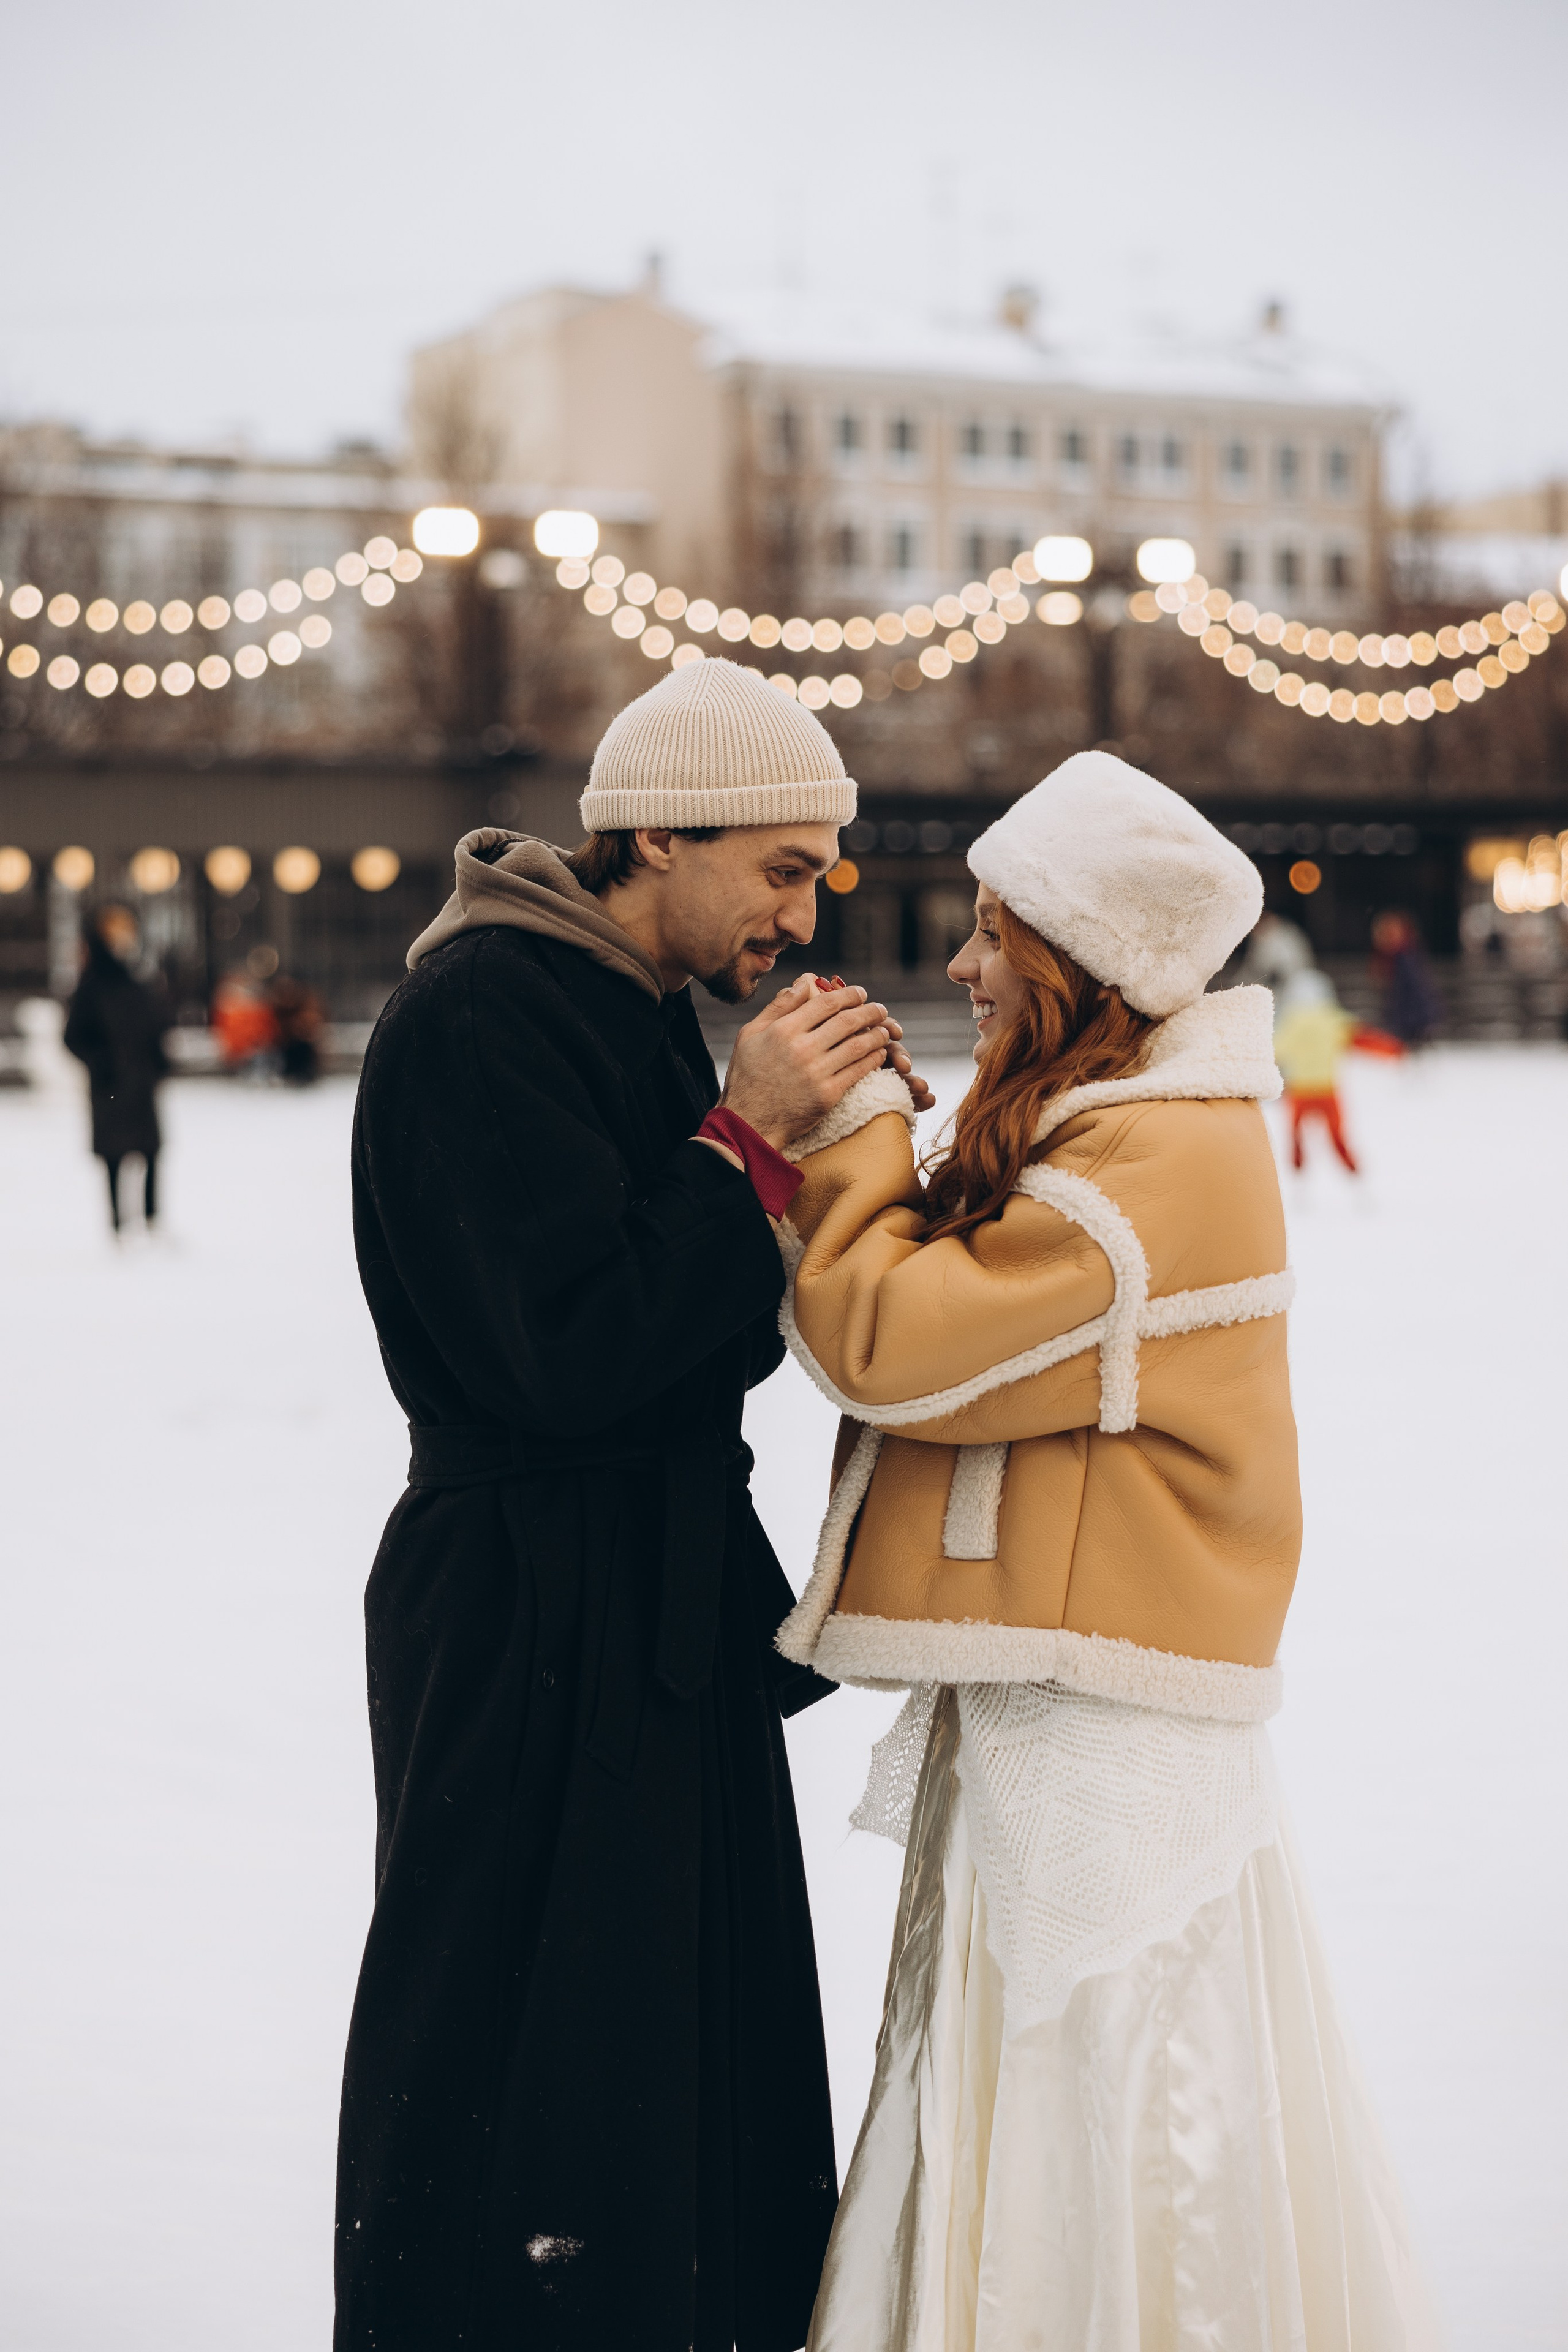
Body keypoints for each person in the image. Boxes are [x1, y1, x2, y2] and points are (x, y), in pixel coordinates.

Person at [774, 752, 1439, 2348]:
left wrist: (854, 1125)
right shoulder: (1110, 1129)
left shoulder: (1152, 1165)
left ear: (1078, 961)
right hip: (1065, 1686)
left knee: (1103, 2074)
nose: (962, 966)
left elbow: (891, 1339)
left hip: (1103, 1724)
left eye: (996, 936)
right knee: (1037, 2056)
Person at [335, 657, 932, 2352]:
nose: (804, 914)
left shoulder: (625, 1003)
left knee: (665, 2029)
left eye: (820, 872)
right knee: (531, 2026)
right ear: (656, 837)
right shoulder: (483, 1011)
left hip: (639, 1584)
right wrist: (748, 1138)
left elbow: (691, 1323)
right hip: (527, 1600)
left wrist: (830, 1168)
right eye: (783, 867)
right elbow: (565, 1344)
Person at [62, 901, 171, 1234]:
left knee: (150, 1152)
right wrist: (101, 1063)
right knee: (114, 1155)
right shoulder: (91, 986)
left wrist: (159, 1061)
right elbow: (73, 1037)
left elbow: (156, 1025)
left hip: (141, 1079)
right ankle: (117, 1225)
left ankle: (152, 1220)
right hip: (109, 1083)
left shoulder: (140, 979)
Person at [1273, 965, 1402, 1174]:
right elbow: (1364, 1039)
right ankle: (1353, 1170)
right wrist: (1395, 1050)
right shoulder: (1333, 1020)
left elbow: (1274, 1051)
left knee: (1296, 1137)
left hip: (1300, 1091)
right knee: (1338, 1137)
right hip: (1328, 1090)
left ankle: (1297, 1175)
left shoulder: (1290, 1024)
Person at [1371, 908, 1445, 1045]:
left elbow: (1413, 995)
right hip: (1408, 1024)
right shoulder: (1398, 958)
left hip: (1410, 1026)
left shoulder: (1405, 959)